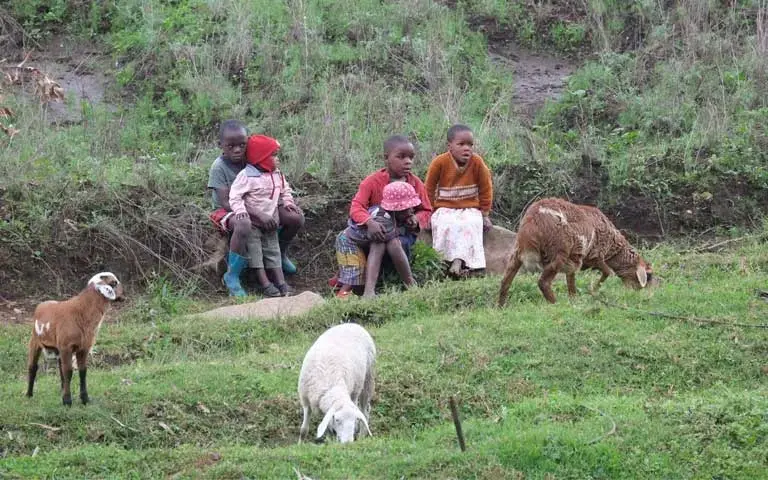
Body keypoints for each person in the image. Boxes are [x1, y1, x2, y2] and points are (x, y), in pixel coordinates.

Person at [207, 120, 304, 296]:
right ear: (220, 145)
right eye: (231, 146)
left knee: (295, 218)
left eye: (242, 145)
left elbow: (271, 185)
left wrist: (282, 204)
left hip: (257, 205)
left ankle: (279, 256)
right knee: (243, 224)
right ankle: (233, 275)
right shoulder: (219, 167)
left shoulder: (254, 159)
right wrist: (259, 215)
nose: (237, 150)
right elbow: (226, 202)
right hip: (229, 210)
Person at [332, 135, 432, 298]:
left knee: (391, 242)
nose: (408, 162)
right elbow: (356, 207)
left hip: (402, 233)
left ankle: (404, 283)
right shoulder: (372, 182)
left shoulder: (415, 183)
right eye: (401, 157)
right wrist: (369, 222)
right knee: (374, 241)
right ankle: (353, 286)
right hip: (375, 231)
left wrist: (416, 220)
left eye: (411, 157)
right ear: (386, 158)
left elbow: (426, 210)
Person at [228, 134, 295, 297]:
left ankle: (281, 282)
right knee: (255, 252)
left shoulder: (277, 174)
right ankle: (264, 283)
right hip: (254, 223)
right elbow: (235, 196)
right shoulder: (246, 176)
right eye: (273, 155)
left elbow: (285, 190)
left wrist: (288, 202)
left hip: (271, 221)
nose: (277, 159)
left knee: (273, 250)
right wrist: (241, 212)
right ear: (261, 157)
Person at [424, 124, 493, 277]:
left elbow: (486, 188)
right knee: (445, 224)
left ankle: (465, 263)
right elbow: (428, 188)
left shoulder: (477, 162)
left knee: (471, 224)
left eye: (470, 145)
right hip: (445, 207)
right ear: (450, 146)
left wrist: (485, 214)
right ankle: (445, 261)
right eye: (461, 144)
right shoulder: (439, 162)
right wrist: (427, 213)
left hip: (470, 208)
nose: (466, 148)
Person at [343, 181, 422, 297]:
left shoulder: (393, 214)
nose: (411, 211)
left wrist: (408, 218)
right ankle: (363, 292)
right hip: (348, 244)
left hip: (363, 240)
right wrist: (409, 279)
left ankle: (408, 284)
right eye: (407, 208)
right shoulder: (383, 219)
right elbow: (392, 248)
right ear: (397, 208)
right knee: (354, 278)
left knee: (385, 243)